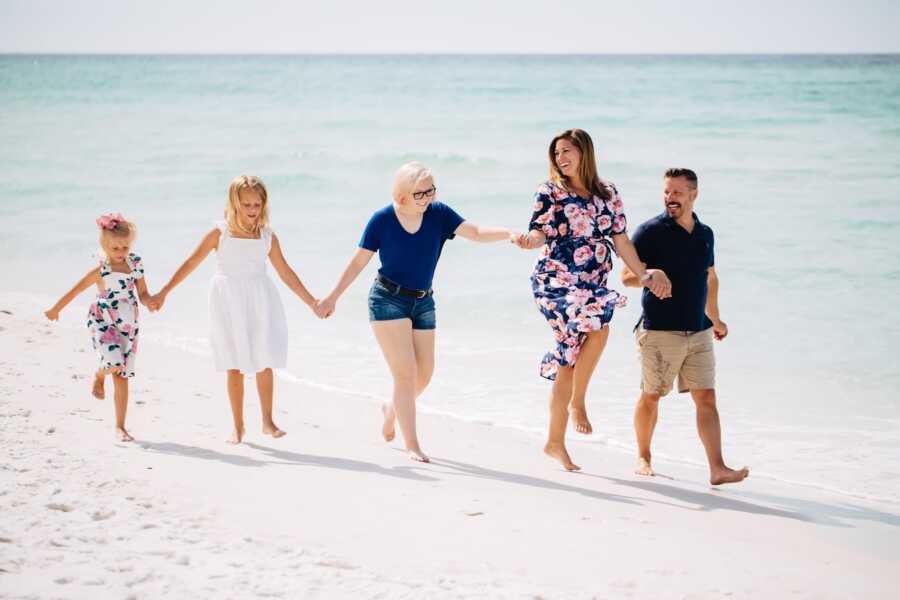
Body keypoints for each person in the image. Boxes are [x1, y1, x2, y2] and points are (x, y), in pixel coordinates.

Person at [315, 161, 516, 463]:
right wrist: (332, 297)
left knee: (425, 374)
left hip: (423, 301)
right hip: (387, 299)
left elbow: (475, 231)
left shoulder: (439, 214)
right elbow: (359, 261)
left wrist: (509, 234)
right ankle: (412, 444)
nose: (428, 198)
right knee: (405, 374)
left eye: (431, 191)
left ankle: (391, 408)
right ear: (403, 196)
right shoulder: (382, 220)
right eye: (421, 193)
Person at [513, 129, 671, 471]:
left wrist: (642, 273)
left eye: (567, 151)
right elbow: (540, 229)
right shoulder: (550, 190)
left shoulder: (607, 192)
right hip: (555, 278)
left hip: (592, 278)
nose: (561, 158)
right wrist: (530, 240)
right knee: (593, 333)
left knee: (572, 354)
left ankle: (555, 442)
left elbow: (622, 239)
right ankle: (578, 403)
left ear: (585, 152)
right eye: (556, 153)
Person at [150, 175, 318, 444]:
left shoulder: (267, 236)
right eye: (246, 204)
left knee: (264, 360)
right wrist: (163, 293)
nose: (252, 210)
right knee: (234, 364)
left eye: (257, 204)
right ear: (234, 203)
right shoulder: (220, 233)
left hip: (261, 299)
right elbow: (190, 263)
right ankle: (238, 426)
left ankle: (267, 421)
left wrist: (312, 302)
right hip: (228, 301)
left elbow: (285, 272)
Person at [622, 168, 749, 485]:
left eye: (677, 192)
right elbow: (626, 277)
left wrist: (715, 318)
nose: (670, 198)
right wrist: (652, 273)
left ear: (694, 194)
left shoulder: (706, 233)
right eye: (667, 192)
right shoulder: (650, 232)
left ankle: (718, 469)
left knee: (707, 398)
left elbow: (710, 276)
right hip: (660, 331)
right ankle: (643, 457)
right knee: (651, 396)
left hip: (699, 330)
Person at [44, 213, 155, 442]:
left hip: (128, 324)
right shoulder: (101, 270)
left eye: (125, 246)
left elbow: (142, 293)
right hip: (103, 321)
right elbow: (76, 290)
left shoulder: (135, 264)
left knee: (122, 374)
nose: (121, 251)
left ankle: (120, 426)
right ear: (105, 245)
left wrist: (150, 301)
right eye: (116, 247)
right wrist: (56, 309)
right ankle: (99, 374)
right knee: (114, 364)